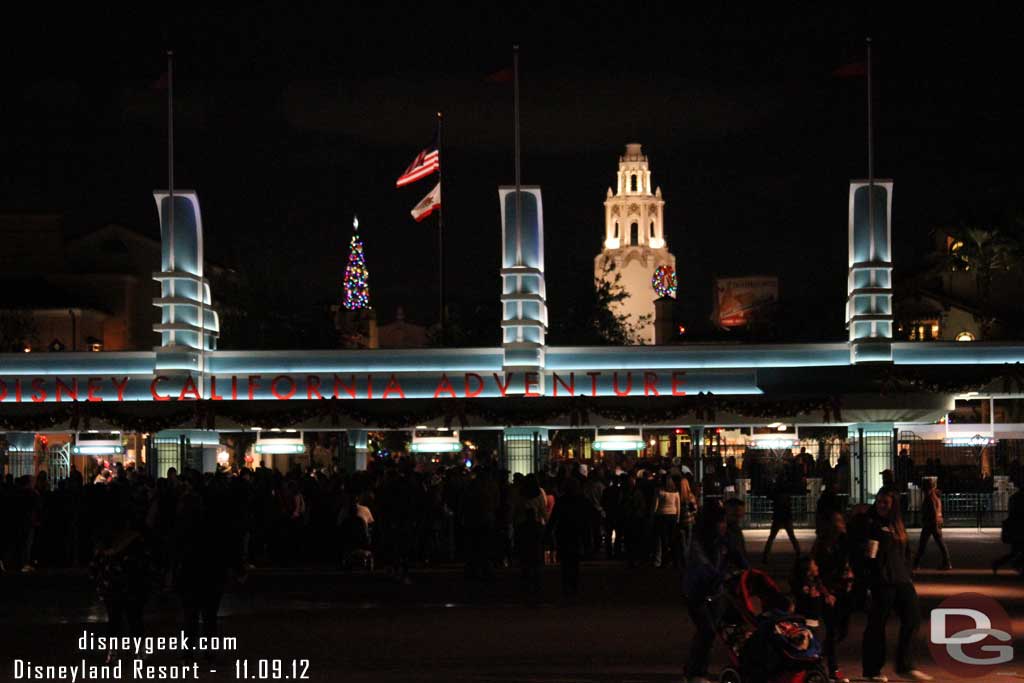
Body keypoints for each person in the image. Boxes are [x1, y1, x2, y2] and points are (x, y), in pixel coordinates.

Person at [855, 490, 933, 682]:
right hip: (882, 581)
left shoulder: (897, 525)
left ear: (894, 505)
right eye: (879, 501)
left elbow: (905, 552)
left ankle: (904, 665)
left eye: (886, 502)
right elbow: (867, 555)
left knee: (913, 618)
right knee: (876, 625)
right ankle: (872, 670)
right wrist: (866, 579)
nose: (881, 505)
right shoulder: (871, 523)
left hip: (901, 579)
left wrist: (909, 572)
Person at [683, 505, 746, 683]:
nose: (724, 525)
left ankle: (693, 668)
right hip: (697, 593)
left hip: (717, 592)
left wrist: (748, 572)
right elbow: (703, 567)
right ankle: (696, 672)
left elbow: (738, 557)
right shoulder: (697, 543)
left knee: (714, 631)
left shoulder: (724, 539)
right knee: (707, 631)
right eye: (721, 522)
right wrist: (722, 576)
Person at [90, 517, 151, 663]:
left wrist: (99, 583)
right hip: (132, 586)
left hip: (112, 586)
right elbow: (144, 564)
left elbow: (95, 566)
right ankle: (140, 651)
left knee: (114, 620)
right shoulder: (136, 542)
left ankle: (113, 652)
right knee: (134, 619)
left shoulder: (104, 543)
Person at [813, 511, 854, 683]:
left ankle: (819, 655)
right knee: (831, 630)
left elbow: (850, 563)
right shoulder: (821, 545)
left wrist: (851, 574)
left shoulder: (845, 542)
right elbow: (813, 571)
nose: (842, 523)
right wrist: (825, 592)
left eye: (842, 520)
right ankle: (833, 669)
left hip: (843, 589)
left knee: (842, 630)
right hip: (828, 590)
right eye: (838, 521)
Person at [548, 476, 589, 599]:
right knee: (574, 563)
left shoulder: (561, 501)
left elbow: (553, 519)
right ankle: (573, 586)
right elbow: (586, 521)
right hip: (575, 534)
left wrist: (548, 533)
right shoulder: (581, 501)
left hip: (564, 534)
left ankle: (566, 586)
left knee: (566, 563)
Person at [913, 479, 951, 570]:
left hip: (930, 524)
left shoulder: (930, 498)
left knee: (923, 545)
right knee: (940, 544)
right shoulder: (935, 496)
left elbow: (933, 512)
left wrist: (934, 524)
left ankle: (916, 563)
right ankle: (947, 563)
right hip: (934, 523)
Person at [762, 476, 800, 562]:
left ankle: (765, 555)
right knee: (792, 536)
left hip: (778, 516)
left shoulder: (776, 494)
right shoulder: (786, 494)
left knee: (771, 537)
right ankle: (798, 553)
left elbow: (769, 496)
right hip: (786, 517)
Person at [993, 482, 1024, 574]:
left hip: (1015, 527)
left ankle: (998, 563)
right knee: (1017, 550)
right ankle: (1016, 565)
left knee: (1015, 551)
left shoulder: (1014, 497)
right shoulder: (1018, 498)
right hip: (1019, 527)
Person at [652, 475, 681, 568]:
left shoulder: (659, 491)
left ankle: (664, 560)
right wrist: (677, 518)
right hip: (673, 515)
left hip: (662, 515)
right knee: (672, 538)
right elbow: (678, 506)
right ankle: (673, 560)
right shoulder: (675, 492)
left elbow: (655, 505)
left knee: (662, 538)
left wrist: (652, 515)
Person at [722, 498, 749, 570]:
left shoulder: (735, 529)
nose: (739, 519)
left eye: (740, 516)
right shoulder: (728, 530)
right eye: (735, 515)